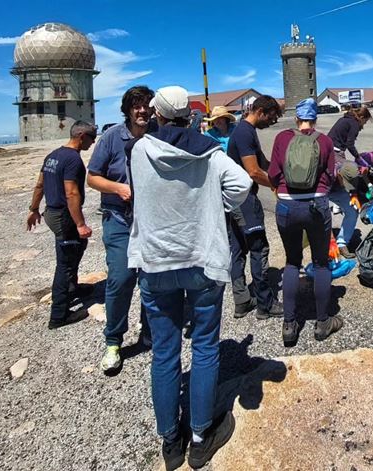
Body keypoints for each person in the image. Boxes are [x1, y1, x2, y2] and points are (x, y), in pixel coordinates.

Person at [126, 86, 251, 471]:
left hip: (157, 262)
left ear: (158, 115)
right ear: (191, 115)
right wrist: (217, 207)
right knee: (205, 348)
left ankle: (170, 441)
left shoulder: (140, 149)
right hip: (200, 260)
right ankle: (200, 438)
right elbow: (243, 185)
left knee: (164, 353)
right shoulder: (210, 152)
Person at [87, 85, 154, 372]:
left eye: (146, 106)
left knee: (152, 278)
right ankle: (113, 341)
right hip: (118, 218)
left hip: (151, 219)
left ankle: (150, 329)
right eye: (136, 106)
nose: (142, 111)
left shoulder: (157, 135)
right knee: (121, 278)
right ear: (127, 109)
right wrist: (119, 188)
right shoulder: (112, 137)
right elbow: (92, 177)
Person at [267, 98, 344, 346]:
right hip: (317, 205)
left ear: (297, 118)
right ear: (315, 118)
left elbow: (273, 174)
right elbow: (331, 176)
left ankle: (289, 325)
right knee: (321, 263)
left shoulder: (281, 138)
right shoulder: (324, 141)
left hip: (287, 205)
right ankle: (323, 322)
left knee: (292, 262)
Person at [26, 121, 98, 329]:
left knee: (77, 248)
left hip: (51, 212)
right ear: (81, 135)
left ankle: (72, 287)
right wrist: (80, 224)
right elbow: (71, 193)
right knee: (65, 262)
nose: (93, 142)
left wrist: (33, 209)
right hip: (63, 216)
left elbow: (40, 184)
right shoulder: (73, 160)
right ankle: (59, 315)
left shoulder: (52, 156)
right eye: (92, 138)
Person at [225, 95, 285, 319]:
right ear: (260, 111)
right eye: (272, 117)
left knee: (238, 249)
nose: (273, 121)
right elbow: (254, 171)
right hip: (244, 199)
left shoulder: (247, 132)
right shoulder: (244, 133)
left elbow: (265, 164)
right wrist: (278, 185)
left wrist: (284, 172)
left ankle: (241, 301)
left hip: (234, 200)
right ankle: (265, 304)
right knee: (259, 249)